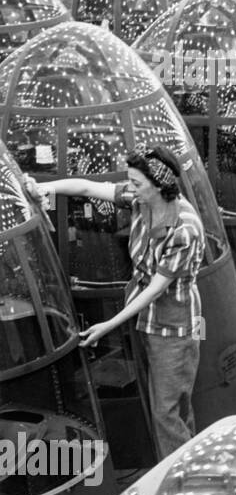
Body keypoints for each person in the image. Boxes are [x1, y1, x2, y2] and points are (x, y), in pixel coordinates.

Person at [25, 147, 205, 459]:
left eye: (136, 183)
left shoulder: (184, 228)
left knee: (166, 412)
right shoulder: (142, 201)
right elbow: (86, 187)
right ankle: (187, 464)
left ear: (159, 185)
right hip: (148, 321)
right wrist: (45, 188)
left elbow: (156, 289)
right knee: (174, 406)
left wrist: (108, 325)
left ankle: (177, 480)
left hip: (175, 329)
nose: (129, 188)